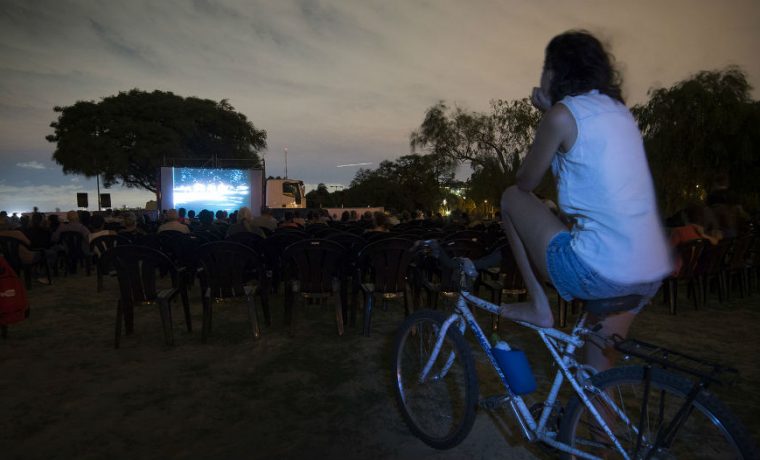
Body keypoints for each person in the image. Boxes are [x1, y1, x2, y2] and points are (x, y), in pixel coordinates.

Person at [498, 30, 672, 373]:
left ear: (555, 71)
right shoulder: (621, 113)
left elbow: (526, 181)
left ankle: (538, 306)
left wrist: (547, 111)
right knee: (596, 376)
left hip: (601, 268)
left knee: (509, 197)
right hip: (646, 269)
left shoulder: (561, 115)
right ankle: (598, 424)